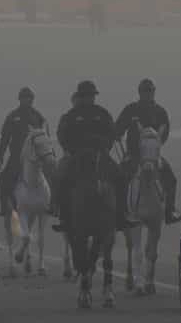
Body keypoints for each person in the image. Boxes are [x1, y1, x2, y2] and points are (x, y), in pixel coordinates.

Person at [51, 80, 132, 233]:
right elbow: (62, 135)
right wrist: (70, 149)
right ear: (81, 96)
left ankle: (121, 217)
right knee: (62, 180)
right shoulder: (71, 115)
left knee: (121, 178)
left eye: (92, 95)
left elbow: (111, 133)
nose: (90, 98)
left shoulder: (102, 113)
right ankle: (64, 218)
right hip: (77, 156)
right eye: (86, 95)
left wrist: (106, 145)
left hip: (100, 155)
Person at [114, 79, 181, 224]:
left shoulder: (161, 112)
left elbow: (165, 133)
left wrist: (154, 146)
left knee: (171, 179)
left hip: (153, 156)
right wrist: (116, 133)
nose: (148, 94)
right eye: (145, 91)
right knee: (119, 178)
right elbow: (118, 127)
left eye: (150, 91)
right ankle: (120, 214)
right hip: (133, 155)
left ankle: (170, 211)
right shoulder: (130, 109)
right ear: (140, 93)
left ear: (154, 92)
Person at [0, 87, 48, 216]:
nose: (27, 101)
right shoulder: (13, 116)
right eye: (25, 98)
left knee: (50, 178)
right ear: (20, 100)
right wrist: (1, 155)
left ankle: (50, 205)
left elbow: (45, 138)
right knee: (3, 181)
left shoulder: (38, 116)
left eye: (29, 98)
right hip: (17, 157)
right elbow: (5, 137)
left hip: (35, 158)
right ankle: (4, 208)